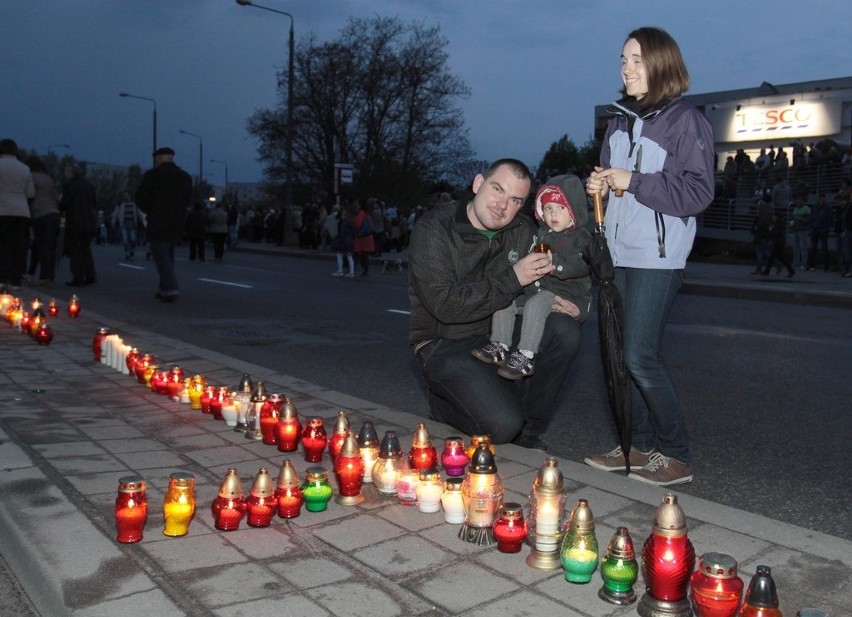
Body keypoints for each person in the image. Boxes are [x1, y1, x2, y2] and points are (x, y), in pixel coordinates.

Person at [584, 27, 715, 486]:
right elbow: (611, 177)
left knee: (640, 355)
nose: (626, 68)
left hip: (658, 256)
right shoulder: (620, 120)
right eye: (623, 59)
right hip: (619, 253)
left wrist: (631, 179)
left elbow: (699, 192)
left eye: (637, 59)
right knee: (619, 356)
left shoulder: (684, 120)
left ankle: (675, 455)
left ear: (661, 64)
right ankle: (637, 447)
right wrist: (599, 185)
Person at [409, 158, 584, 449]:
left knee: (564, 331)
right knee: (501, 426)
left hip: (497, 333)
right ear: (478, 184)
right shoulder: (434, 229)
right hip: (443, 341)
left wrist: (576, 304)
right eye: (497, 190)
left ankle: (530, 427)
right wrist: (514, 277)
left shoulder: (523, 231)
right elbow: (446, 306)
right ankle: (445, 405)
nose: (502, 205)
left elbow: (562, 267)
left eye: (515, 199)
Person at [471, 174, 592, 380]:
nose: (553, 214)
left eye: (561, 208)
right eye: (548, 208)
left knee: (536, 303)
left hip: (562, 294)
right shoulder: (540, 234)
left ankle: (526, 355)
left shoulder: (581, 238)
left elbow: (584, 264)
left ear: (573, 211)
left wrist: (557, 264)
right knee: (506, 298)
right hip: (538, 290)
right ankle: (500, 344)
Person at [136, 147, 193, 302]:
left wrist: (150, 210)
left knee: (160, 255)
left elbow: (141, 198)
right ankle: (164, 289)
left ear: (159, 159)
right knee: (169, 255)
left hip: (158, 219)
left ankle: (170, 288)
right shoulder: (185, 177)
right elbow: (188, 199)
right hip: (177, 221)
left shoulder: (152, 175)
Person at [0, 139, 34, 290]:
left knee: (2, 246)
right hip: (21, 212)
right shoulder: (25, 168)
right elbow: (30, 192)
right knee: (18, 247)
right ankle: (15, 282)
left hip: (2, 210)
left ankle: (1, 279)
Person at [60, 162, 98, 287]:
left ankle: (78, 277)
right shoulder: (89, 185)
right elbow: (94, 203)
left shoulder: (69, 186)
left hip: (75, 221)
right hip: (89, 222)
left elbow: (66, 203)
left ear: (71, 173)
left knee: (75, 250)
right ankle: (90, 275)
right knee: (86, 249)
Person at [25, 156, 60, 286]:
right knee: (49, 246)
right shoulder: (48, 178)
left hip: (41, 213)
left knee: (41, 245)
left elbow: (28, 194)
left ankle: (43, 275)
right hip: (53, 212)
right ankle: (48, 275)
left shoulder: (31, 176)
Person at [112, 191, 143, 260]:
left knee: (133, 239)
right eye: (124, 195)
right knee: (125, 239)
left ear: (129, 196)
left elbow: (140, 213)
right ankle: (127, 253)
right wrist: (113, 222)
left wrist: (144, 221)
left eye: (126, 195)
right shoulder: (120, 204)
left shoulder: (134, 204)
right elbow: (115, 214)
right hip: (123, 224)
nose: (125, 196)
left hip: (132, 224)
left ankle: (132, 249)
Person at [332, 206, 356, 277]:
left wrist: (338, 240)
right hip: (350, 240)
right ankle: (351, 272)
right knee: (349, 256)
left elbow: (342, 233)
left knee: (339, 254)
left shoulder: (344, 223)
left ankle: (340, 271)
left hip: (344, 241)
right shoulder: (351, 223)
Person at [353, 199, 375, 276]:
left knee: (361, 253)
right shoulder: (367, 213)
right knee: (365, 253)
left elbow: (358, 224)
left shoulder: (360, 213)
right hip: (368, 235)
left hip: (362, 236)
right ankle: (366, 269)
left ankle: (361, 268)